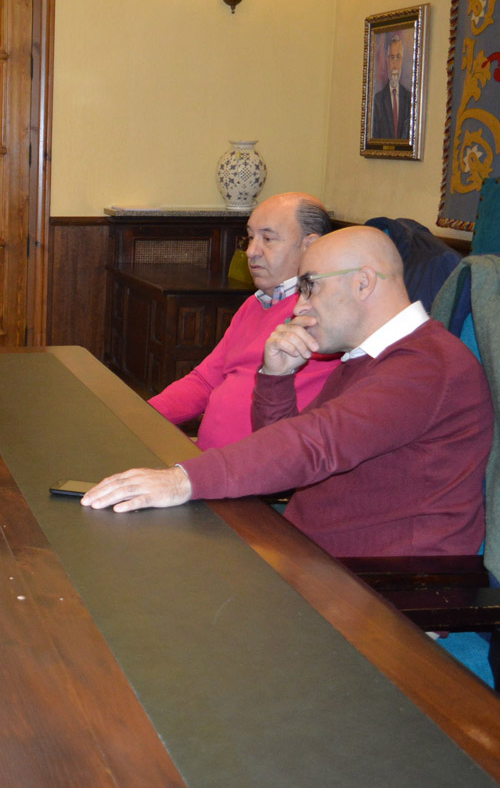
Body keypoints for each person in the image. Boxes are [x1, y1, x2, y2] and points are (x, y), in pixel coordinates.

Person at [84, 226, 493, 560]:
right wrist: (276, 378)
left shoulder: (426, 366)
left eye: (310, 287)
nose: (299, 307)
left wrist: (181, 481)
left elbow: (314, 444)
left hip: (379, 586)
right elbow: (295, 451)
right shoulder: (368, 357)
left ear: (364, 283)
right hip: (306, 551)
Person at [148, 193, 340, 449]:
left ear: (310, 245)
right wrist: (140, 416)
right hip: (204, 462)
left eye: (268, 239)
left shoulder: (325, 315)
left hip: (255, 475)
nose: (251, 252)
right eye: (250, 237)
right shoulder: (256, 303)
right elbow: (205, 380)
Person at [371, 33, 411, 141]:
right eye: (392, 57)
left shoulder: (409, 99)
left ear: (402, 61)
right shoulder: (378, 100)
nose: (395, 64)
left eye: (398, 57)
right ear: (387, 61)